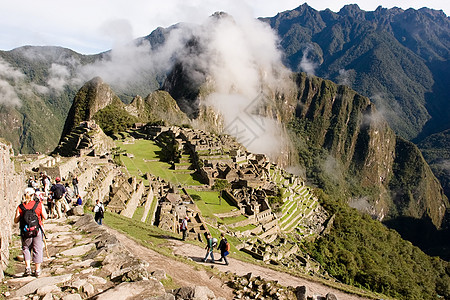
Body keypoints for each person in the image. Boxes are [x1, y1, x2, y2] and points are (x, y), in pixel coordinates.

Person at [14, 187, 48, 277]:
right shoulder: (38, 204)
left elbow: (16, 220)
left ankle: (28, 268)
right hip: (37, 230)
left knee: (26, 248)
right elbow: (45, 216)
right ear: (34, 195)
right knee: (38, 248)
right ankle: (37, 270)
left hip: (26, 231)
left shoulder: (21, 207)